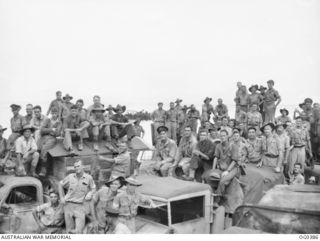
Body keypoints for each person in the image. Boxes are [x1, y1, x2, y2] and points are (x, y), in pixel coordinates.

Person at [59, 160, 96, 234]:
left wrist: (90, 193)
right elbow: (60, 184)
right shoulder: (70, 176)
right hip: (68, 205)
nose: (76, 168)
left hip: (80, 206)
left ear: (83, 167)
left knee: (79, 231)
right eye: (75, 166)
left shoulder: (89, 178)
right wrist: (61, 197)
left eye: (78, 166)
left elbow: (93, 188)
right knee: (69, 230)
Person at [39, 107, 62, 176]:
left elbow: (58, 133)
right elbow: (42, 130)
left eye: (55, 113)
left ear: (58, 114)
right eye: (53, 113)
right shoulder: (47, 120)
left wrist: (49, 131)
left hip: (52, 138)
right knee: (37, 149)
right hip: (44, 137)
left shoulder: (59, 122)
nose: (54, 115)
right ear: (51, 113)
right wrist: (51, 129)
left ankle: (43, 169)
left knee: (44, 149)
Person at [288, 116, 312, 180]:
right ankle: (291, 178)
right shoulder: (292, 130)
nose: (298, 122)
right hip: (294, 148)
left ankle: (300, 178)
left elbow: (308, 140)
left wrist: (310, 151)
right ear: (295, 122)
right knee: (292, 163)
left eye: (300, 121)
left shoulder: (305, 130)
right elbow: (288, 140)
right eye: (297, 121)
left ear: (302, 122)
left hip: (302, 148)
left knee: (301, 163)